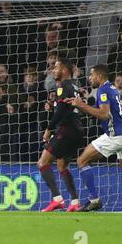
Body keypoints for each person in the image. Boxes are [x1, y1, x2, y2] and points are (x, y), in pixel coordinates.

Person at [67, 64, 122, 213]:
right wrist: (83, 100)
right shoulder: (112, 88)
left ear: (99, 76)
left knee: (81, 161)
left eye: (91, 75)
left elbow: (103, 114)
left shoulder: (103, 89)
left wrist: (81, 105)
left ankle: (94, 199)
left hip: (115, 136)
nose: (89, 78)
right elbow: (95, 109)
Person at [37, 57, 84, 212]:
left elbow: (63, 111)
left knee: (43, 163)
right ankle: (75, 201)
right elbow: (66, 107)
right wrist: (53, 105)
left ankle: (57, 199)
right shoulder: (74, 87)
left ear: (64, 70)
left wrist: (48, 129)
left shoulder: (63, 85)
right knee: (62, 164)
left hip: (67, 130)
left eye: (56, 68)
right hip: (77, 130)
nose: (53, 70)